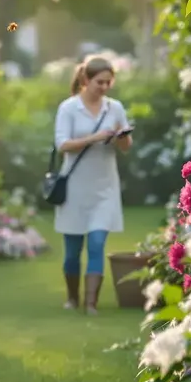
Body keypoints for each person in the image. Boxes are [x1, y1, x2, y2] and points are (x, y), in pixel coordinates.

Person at [52, 56, 132, 314]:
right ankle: (72, 298)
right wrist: (95, 137)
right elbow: (62, 145)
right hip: (75, 187)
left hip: (105, 187)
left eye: (109, 82)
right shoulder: (69, 108)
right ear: (86, 80)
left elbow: (126, 147)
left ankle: (91, 304)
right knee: (72, 250)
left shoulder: (115, 108)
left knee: (97, 243)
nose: (105, 87)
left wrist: (121, 138)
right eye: (100, 82)